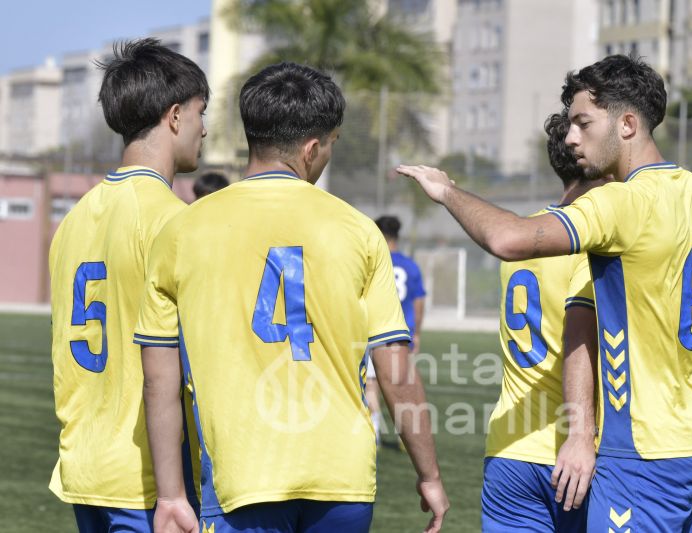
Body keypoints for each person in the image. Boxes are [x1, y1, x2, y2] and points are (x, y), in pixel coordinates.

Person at [397, 54, 692, 532]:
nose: (570, 137)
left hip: (643, 456)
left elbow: (508, 240)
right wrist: (667, 360)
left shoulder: (618, 202)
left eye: (583, 123)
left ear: (627, 124)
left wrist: (448, 193)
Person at [134, 62, 449, 533]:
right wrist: (430, 475)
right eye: (332, 145)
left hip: (242, 477)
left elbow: (160, 379)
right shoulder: (360, 232)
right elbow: (394, 365)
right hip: (340, 482)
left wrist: (172, 494)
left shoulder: (182, 229)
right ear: (312, 148)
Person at [48, 38, 208, 532]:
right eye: (203, 112)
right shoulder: (172, 221)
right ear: (176, 116)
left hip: (85, 467)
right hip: (149, 481)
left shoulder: (74, 220)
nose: (206, 129)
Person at [481, 110, 609, 532]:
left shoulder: (528, 235)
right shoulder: (595, 240)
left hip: (509, 450)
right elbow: (585, 344)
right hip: (577, 454)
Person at [365, 215, 427, 446]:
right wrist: (417, 332)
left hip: (375, 331)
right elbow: (419, 301)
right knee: (403, 386)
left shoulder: (374, 260)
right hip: (402, 333)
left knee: (372, 385)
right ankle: (407, 438)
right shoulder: (410, 266)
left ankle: (375, 434)